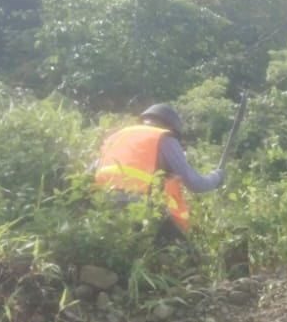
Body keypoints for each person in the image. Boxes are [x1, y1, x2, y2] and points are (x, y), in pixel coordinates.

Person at [94, 103, 224, 245]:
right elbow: (195, 184)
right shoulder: (163, 138)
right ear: (170, 127)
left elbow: (92, 170)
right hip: (138, 206)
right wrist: (217, 177)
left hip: (100, 204)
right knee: (179, 250)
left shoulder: (117, 136)